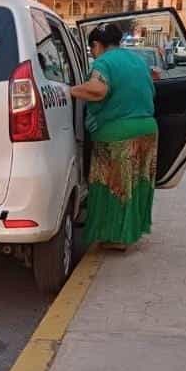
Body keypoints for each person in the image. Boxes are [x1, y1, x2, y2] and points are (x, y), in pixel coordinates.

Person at [70, 24, 157, 251]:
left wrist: (68, 90)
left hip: (118, 135)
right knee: (135, 185)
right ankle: (131, 232)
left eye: (92, 49)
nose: (92, 54)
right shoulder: (137, 59)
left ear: (97, 45)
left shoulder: (103, 62)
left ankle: (115, 237)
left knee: (111, 186)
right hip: (147, 130)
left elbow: (98, 90)